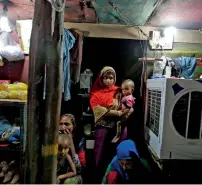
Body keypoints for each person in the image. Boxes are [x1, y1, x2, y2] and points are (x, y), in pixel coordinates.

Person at [90, 66, 130, 183]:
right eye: (105, 78)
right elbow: (97, 110)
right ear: (100, 79)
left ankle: (118, 176)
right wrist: (117, 112)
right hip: (102, 126)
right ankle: (98, 178)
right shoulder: (95, 93)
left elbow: (127, 102)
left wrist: (124, 111)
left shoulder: (118, 90)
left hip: (118, 126)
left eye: (111, 78)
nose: (108, 80)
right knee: (99, 152)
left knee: (120, 150)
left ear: (114, 79)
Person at [112, 79, 135, 143]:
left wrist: (121, 113)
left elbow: (128, 108)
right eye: (123, 89)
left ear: (132, 90)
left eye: (126, 89)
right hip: (123, 112)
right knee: (122, 125)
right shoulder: (126, 96)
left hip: (125, 114)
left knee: (119, 123)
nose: (124, 91)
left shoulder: (129, 98)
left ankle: (117, 136)